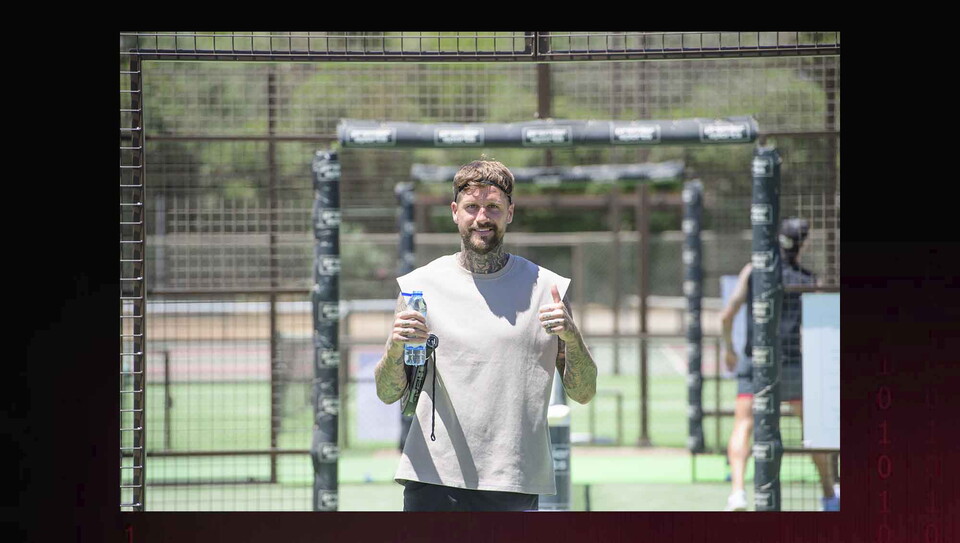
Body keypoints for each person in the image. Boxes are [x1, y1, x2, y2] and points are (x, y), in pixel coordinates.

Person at [374, 158, 598, 512]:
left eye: (493, 207)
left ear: (509, 213)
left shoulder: (548, 289)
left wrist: (573, 339)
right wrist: (393, 347)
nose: (482, 217)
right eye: (472, 207)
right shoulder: (418, 289)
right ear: (454, 212)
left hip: (512, 479)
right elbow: (388, 393)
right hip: (432, 479)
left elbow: (583, 393)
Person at [720, 218, 839, 512]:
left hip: (756, 362)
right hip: (793, 364)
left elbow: (726, 316)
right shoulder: (809, 280)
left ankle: (737, 493)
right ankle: (828, 495)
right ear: (804, 243)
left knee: (743, 425)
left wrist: (729, 349)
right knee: (811, 430)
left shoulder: (753, 272)